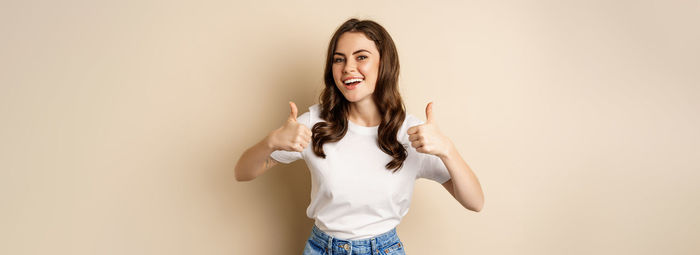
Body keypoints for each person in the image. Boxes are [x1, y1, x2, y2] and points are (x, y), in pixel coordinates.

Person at [235, 18, 484, 255]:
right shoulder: (313, 124)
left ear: (384, 63)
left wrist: (447, 150)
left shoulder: (412, 133)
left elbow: (475, 202)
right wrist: (271, 142)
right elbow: (242, 172)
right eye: (338, 59)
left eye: (361, 57)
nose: (348, 68)